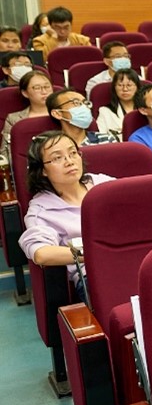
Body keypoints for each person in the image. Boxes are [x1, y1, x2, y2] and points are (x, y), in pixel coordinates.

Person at [18, 132, 114, 280]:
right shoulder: (42, 210)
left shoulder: (103, 183)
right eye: (57, 158)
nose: (69, 161)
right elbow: (41, 253)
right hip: (93, 274)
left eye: (73, 153)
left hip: (134, 259)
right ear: (42, 170)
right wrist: (98, 252)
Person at [0, 70, 53, 164]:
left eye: (47, 86)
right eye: (37, 88)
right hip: (28, 166)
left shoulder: (63, 114)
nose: (44, 91)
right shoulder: (14, 119)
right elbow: (6, 152)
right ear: (25, 93)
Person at [47, 88, 113, 148]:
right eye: (76, 102)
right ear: (57, 114)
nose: (84, 107)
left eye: (85, 103)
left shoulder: (107, 140)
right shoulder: (51, 146)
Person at [96, 68, 140, 141]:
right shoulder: (105, 111)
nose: (125, 89)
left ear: (137, 87)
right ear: (114, 88)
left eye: (129, 85)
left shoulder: (145, 109)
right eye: (120, 85)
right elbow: (100, 138)